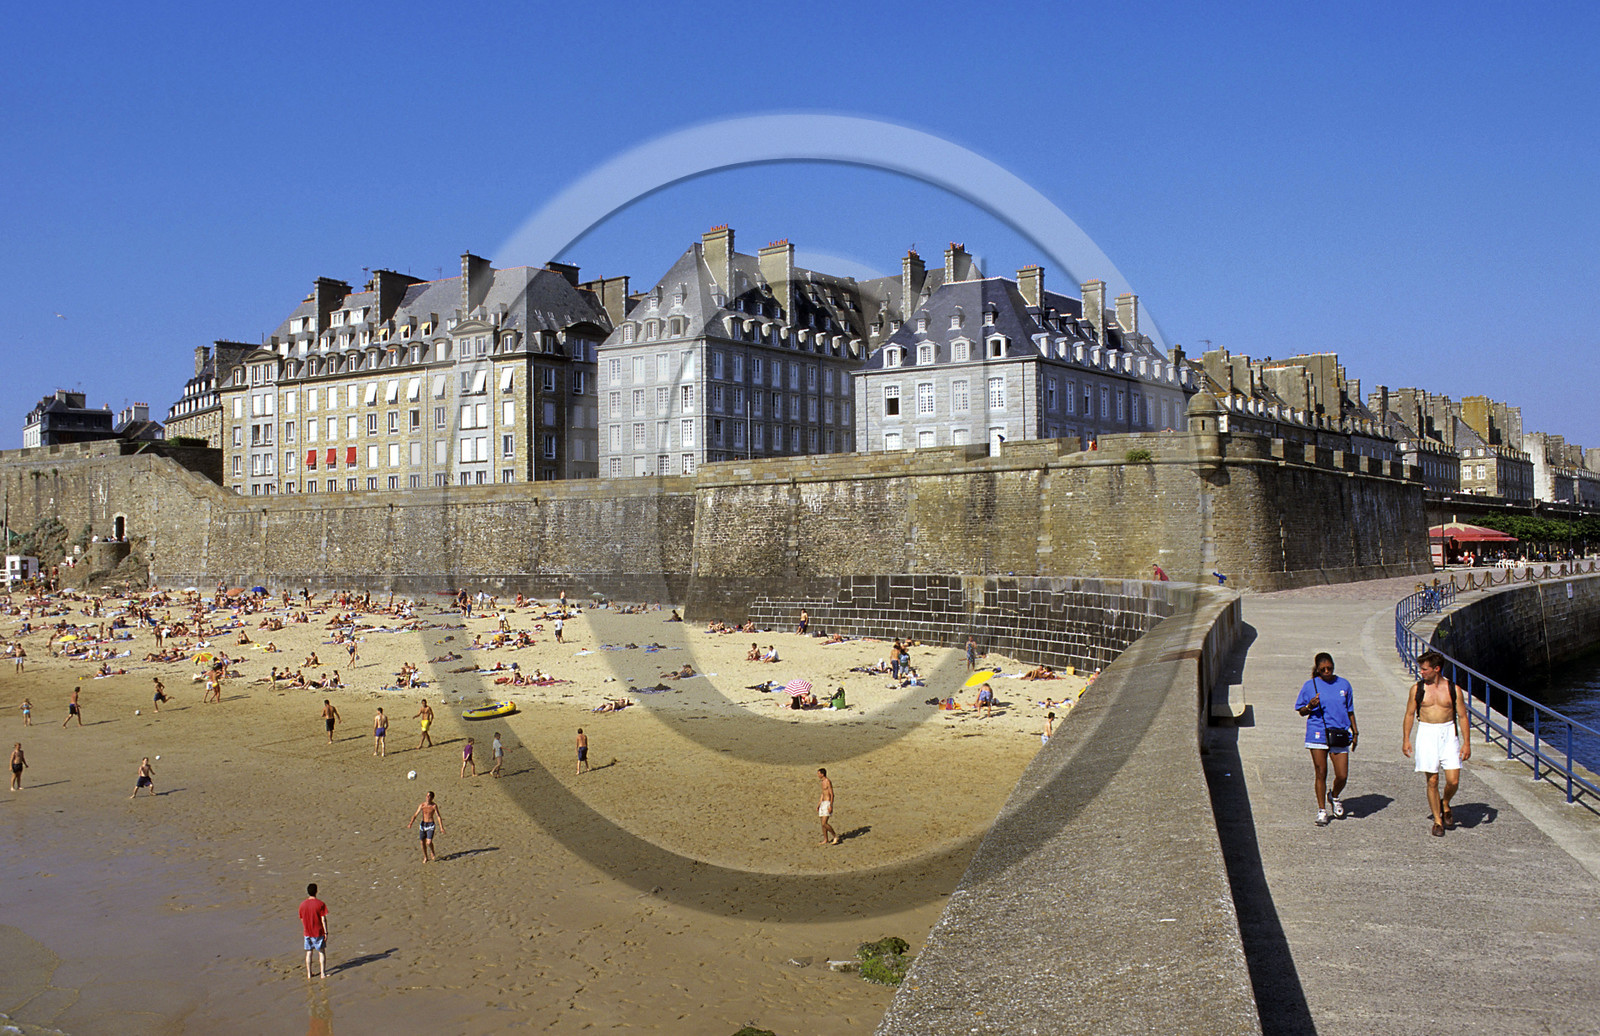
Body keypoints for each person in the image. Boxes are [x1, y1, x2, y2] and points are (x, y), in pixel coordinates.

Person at [1403, 650, 1473, 837]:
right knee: (1432, 779)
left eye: (1425, 669)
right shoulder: (1417, 690)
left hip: (1448, 732)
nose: (1422, 672)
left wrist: (1467, 743)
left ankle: (1445, 802)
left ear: (1436, 669)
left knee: (1453, 780)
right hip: (1427, 732)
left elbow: (1462, 716)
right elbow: (1410, 714)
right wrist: (1406, 739)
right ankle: (1437, 820)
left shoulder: (1453, 689)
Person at [1294, 652, 1358, 827]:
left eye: (1330, 668)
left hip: (1339, 732)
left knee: (1342, 775)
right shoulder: (1310, 686)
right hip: (1318, 732)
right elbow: (1301, 711)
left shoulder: (1344, 684)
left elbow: (1350, 710)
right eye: (1323, 669)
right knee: (1321, 772)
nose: (1327, 671)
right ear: (1318, 669)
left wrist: (1356, 732)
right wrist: (1310, 706)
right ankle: (1322, 810)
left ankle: (1334, 796)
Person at [299, 883, 329, 979]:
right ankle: (323, 974)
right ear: (316, 891)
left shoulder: (302, 905)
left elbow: (302, 918)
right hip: (318, 932)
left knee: (309, 952)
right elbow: (323, 919)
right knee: (321, 952)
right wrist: (326, 932)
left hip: (307, 932)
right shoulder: (320, 904)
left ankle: (309, 974)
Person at [408, 791, 443, 863]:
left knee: (429, 842)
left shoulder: (434, 806)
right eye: (427, 796)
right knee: (422, 842)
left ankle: (432, 852)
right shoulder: (422, 805)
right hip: (423, 825)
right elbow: (415, 814)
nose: (427, 797)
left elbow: (438, 816)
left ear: (432, 798)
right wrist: (411, 823)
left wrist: (441, 827)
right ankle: (425, 857)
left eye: (429, 796)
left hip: (430, 825)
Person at [817, 767, 837, 845]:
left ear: (822, 774)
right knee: (822, 823)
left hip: (828, 803)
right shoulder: (822, 782)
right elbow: (823, 793)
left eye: (819, 773)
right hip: (823, 803)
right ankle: (826, 839)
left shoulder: (827, 781)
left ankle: (835, 836)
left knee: (824, 823)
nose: (818, 775)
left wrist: (830, 805)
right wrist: (819, 803)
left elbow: (832, 794)